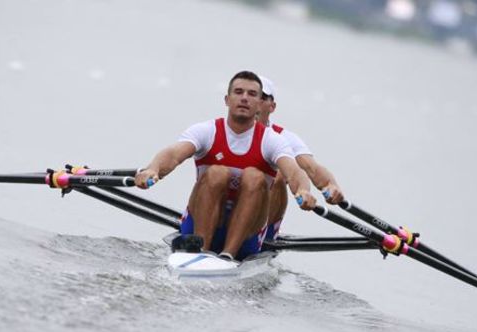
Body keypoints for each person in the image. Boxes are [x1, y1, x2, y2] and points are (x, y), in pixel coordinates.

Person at [135, 70, 316, 261]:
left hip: (247, 237)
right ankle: (200, 250)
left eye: (252, 94)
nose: (244, 98)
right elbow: (173, 154)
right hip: (198, 226)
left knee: (254, 176)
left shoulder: (272, 140)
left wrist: (303, 190)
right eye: (238, 92)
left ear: (259, 104)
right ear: (227, 100)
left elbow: (294, 172)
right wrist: (153, 169)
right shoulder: (206, 131)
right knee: (217, 173)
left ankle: (229, 254)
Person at [257, 75, 345, 242]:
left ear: (272, 106)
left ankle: (265, 235)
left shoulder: (283, 137)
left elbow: (311, 168)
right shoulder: (217, 130)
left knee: (278, 175)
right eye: (245, 94)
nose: (252, 101)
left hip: (261, 219)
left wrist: (330, 186)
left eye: (261, 97)